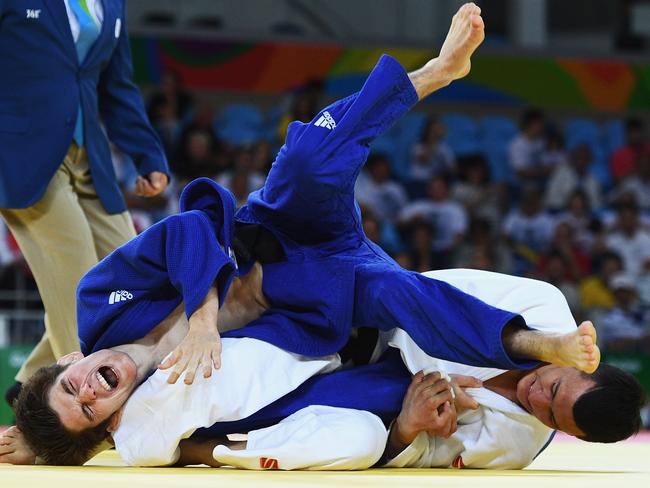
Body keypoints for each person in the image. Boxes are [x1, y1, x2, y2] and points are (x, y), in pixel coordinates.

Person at [2, 2, 604, 467]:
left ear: (70, 358)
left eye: (73, 384)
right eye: (89, 409)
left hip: (272, 232)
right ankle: (529, 345)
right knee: (397, 294)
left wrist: (204, 319)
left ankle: (435, 73)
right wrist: (47, 444)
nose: (90, 390)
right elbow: (229, 435)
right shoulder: (156, 409)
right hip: (317, 297)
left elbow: (182, 230)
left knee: (307, 160)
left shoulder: (97, 305)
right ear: (106, 420)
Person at [0, 0, 170, 405]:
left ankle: (27, 386)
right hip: (22, 155)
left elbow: (118, 86)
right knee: (81, 287)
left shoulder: (112, 4)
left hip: (89, 158)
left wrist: (147, 155)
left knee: (131, 279)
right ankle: (50, 417)